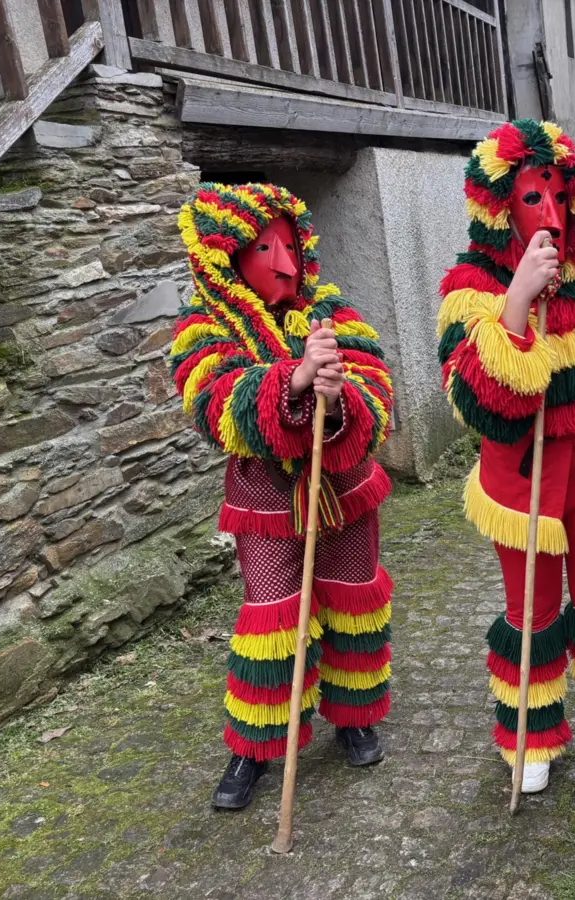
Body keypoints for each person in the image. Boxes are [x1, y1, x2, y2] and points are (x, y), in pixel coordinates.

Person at [437, 120, 575, 793]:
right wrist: (516, 305)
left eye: (560, 197)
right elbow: (474, 402)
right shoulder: (470, 283)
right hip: (522, 478)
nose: (552, 215)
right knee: (529, 610)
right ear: (501, 204)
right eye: (535, 198)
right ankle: (531, 733)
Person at [170, 182, 394, 809]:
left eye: (289, 245)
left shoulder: (332, 313)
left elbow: (377, 386)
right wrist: (290, 382)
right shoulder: (202, 328)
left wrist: (338, 392)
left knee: (352, 600)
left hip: (344, 493)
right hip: (267, 503)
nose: (285, 263)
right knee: (272, 619)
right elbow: (213, 405)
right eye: (264, 247)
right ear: (226, 256)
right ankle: (258, 746)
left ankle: (354, 716)